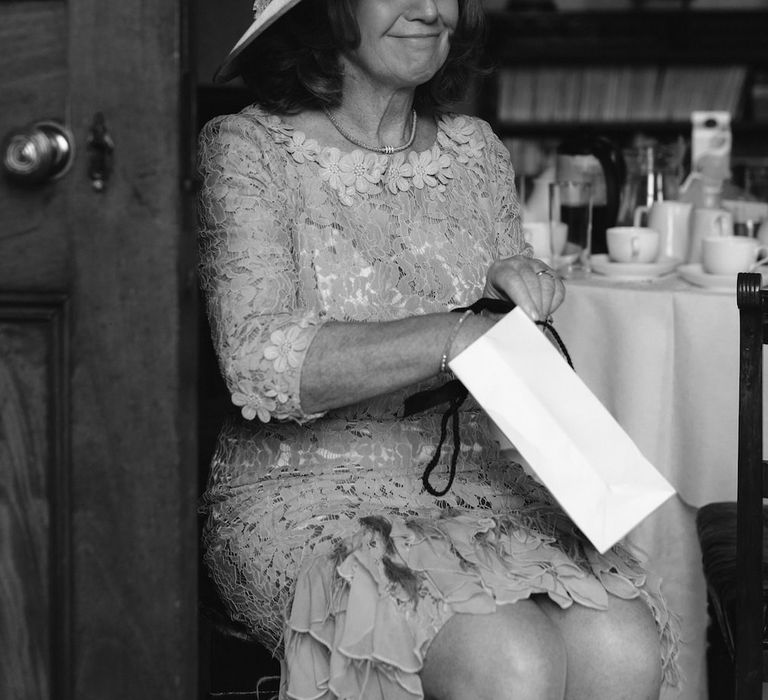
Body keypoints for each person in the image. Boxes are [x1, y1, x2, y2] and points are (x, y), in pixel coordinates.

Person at [197, 0, 680, 698]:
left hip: (483, 485)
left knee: (625, 646)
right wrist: (457, 332)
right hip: (305, 493)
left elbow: (503, 349)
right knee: (513, 662)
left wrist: (512, 305)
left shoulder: (476, 150)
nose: (430, 9)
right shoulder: (247, 150)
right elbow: (258, 363)